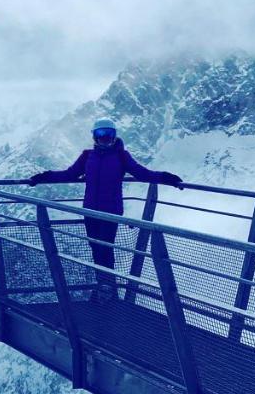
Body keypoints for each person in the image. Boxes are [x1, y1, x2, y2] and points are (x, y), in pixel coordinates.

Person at [26, 119, 183, 299]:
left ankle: (109, 288)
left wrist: (168, 178)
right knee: (95, 247)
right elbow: (69, 174)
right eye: (100, 134)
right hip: (90, 211)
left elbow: (142, 173)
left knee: (105, 249)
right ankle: (104, 286)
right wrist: (42, 177)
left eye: (108, 134)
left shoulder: (122, 156)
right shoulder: (87, 156)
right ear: (94, 136)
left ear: (114, 136)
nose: (104, 138)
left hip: (110, 212)